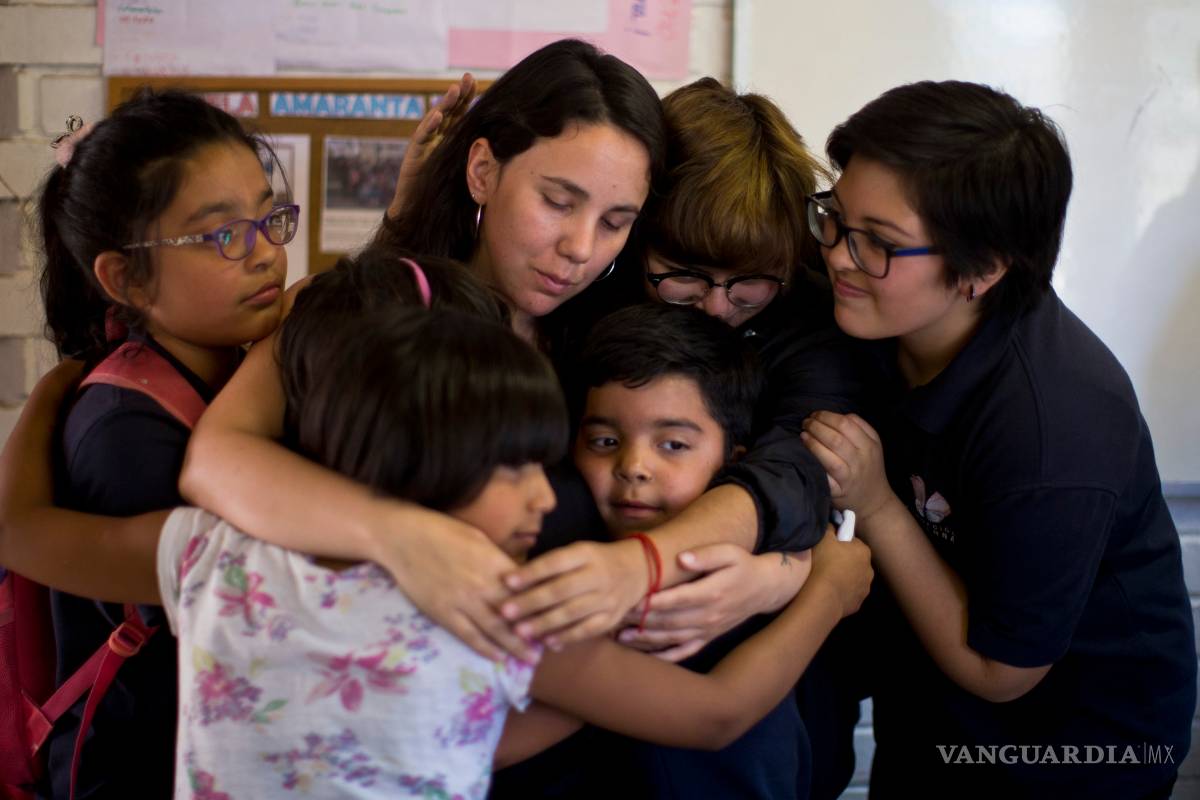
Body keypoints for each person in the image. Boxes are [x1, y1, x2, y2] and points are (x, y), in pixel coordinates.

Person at [159, 266, 874, 799]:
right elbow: (715, 715)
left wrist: (51, 400)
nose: (545, 491)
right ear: (440, 453)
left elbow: (42, 541)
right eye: (515, 465)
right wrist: (822, 587)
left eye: (674, 444)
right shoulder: (492, 600)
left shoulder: (219, 554)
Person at [799, 80, 1196, 798]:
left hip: (1073, 751)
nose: (837, 257)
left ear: (982, 269)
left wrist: (880, 506)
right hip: (935, 710)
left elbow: (1001, 672)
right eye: (834, 216)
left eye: (879, 243)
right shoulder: (880, 311)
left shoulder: (1055, 426)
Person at [24, 89, 294, 798]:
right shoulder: (125, 432)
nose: (266, 251)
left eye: (269, 216)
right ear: (125, 278)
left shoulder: (224, 358)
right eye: (221, 234)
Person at [493, 302, 818, 800]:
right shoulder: (550, 571)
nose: (634, 466)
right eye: (604, 441)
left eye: (672, 445)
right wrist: (825, 583)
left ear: (735, 463)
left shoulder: (747, 582)